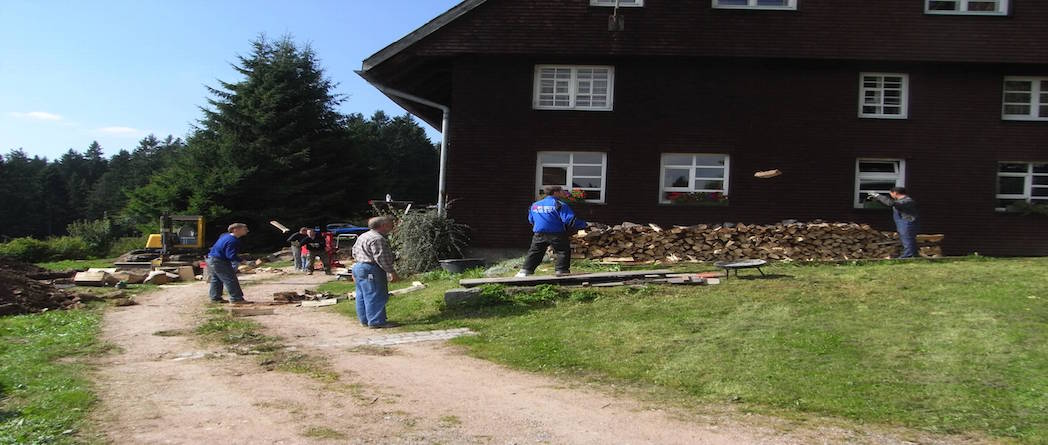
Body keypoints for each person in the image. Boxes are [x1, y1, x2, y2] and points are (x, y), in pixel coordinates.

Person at [516, 185, 588, 277]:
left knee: (535, 252)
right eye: (561, 191)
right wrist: (585, 225)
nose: (563, 193)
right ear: (555, 192)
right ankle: (561, 271)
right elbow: (569, 220)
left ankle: (525, 271)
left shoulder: (535, 205)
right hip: (557, 233)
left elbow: (531, 219)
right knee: (563, 251)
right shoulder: (559, 204)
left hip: (539, 233)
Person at [351, 216, 400, 328]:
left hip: (359, 266)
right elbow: (381, 257)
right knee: (375, 294)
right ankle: (376, 321)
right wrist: (391, 272)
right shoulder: (378, 239)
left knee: (362, 294)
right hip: (371, 268)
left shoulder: (363, 236)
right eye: (389, 224)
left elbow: (353, 251)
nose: (391, 226)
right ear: (382, 225)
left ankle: (365, 320)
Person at [868, 186, 920, 259]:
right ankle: (915, 256)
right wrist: (877, 200)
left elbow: (890, 203)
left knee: (907, 240)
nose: (891, 196)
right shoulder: (901, 202)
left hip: (907, 223)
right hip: (904, 224)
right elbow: (890, 204)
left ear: (895, 193)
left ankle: (907, 256)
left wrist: (877, 195)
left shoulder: (906, 201)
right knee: (908, 239)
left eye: (891, 194)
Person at [206, 223, 250, 304]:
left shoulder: (226, 237)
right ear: (235, 230)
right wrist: (243, 261)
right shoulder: (232, 240)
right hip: (219, 261)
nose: (247, 231)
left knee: (216, 279)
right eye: (244, 229)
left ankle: (215, 298)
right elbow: (230, 255)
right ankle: (236, 299)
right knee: (230, 279)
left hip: (212, 259)